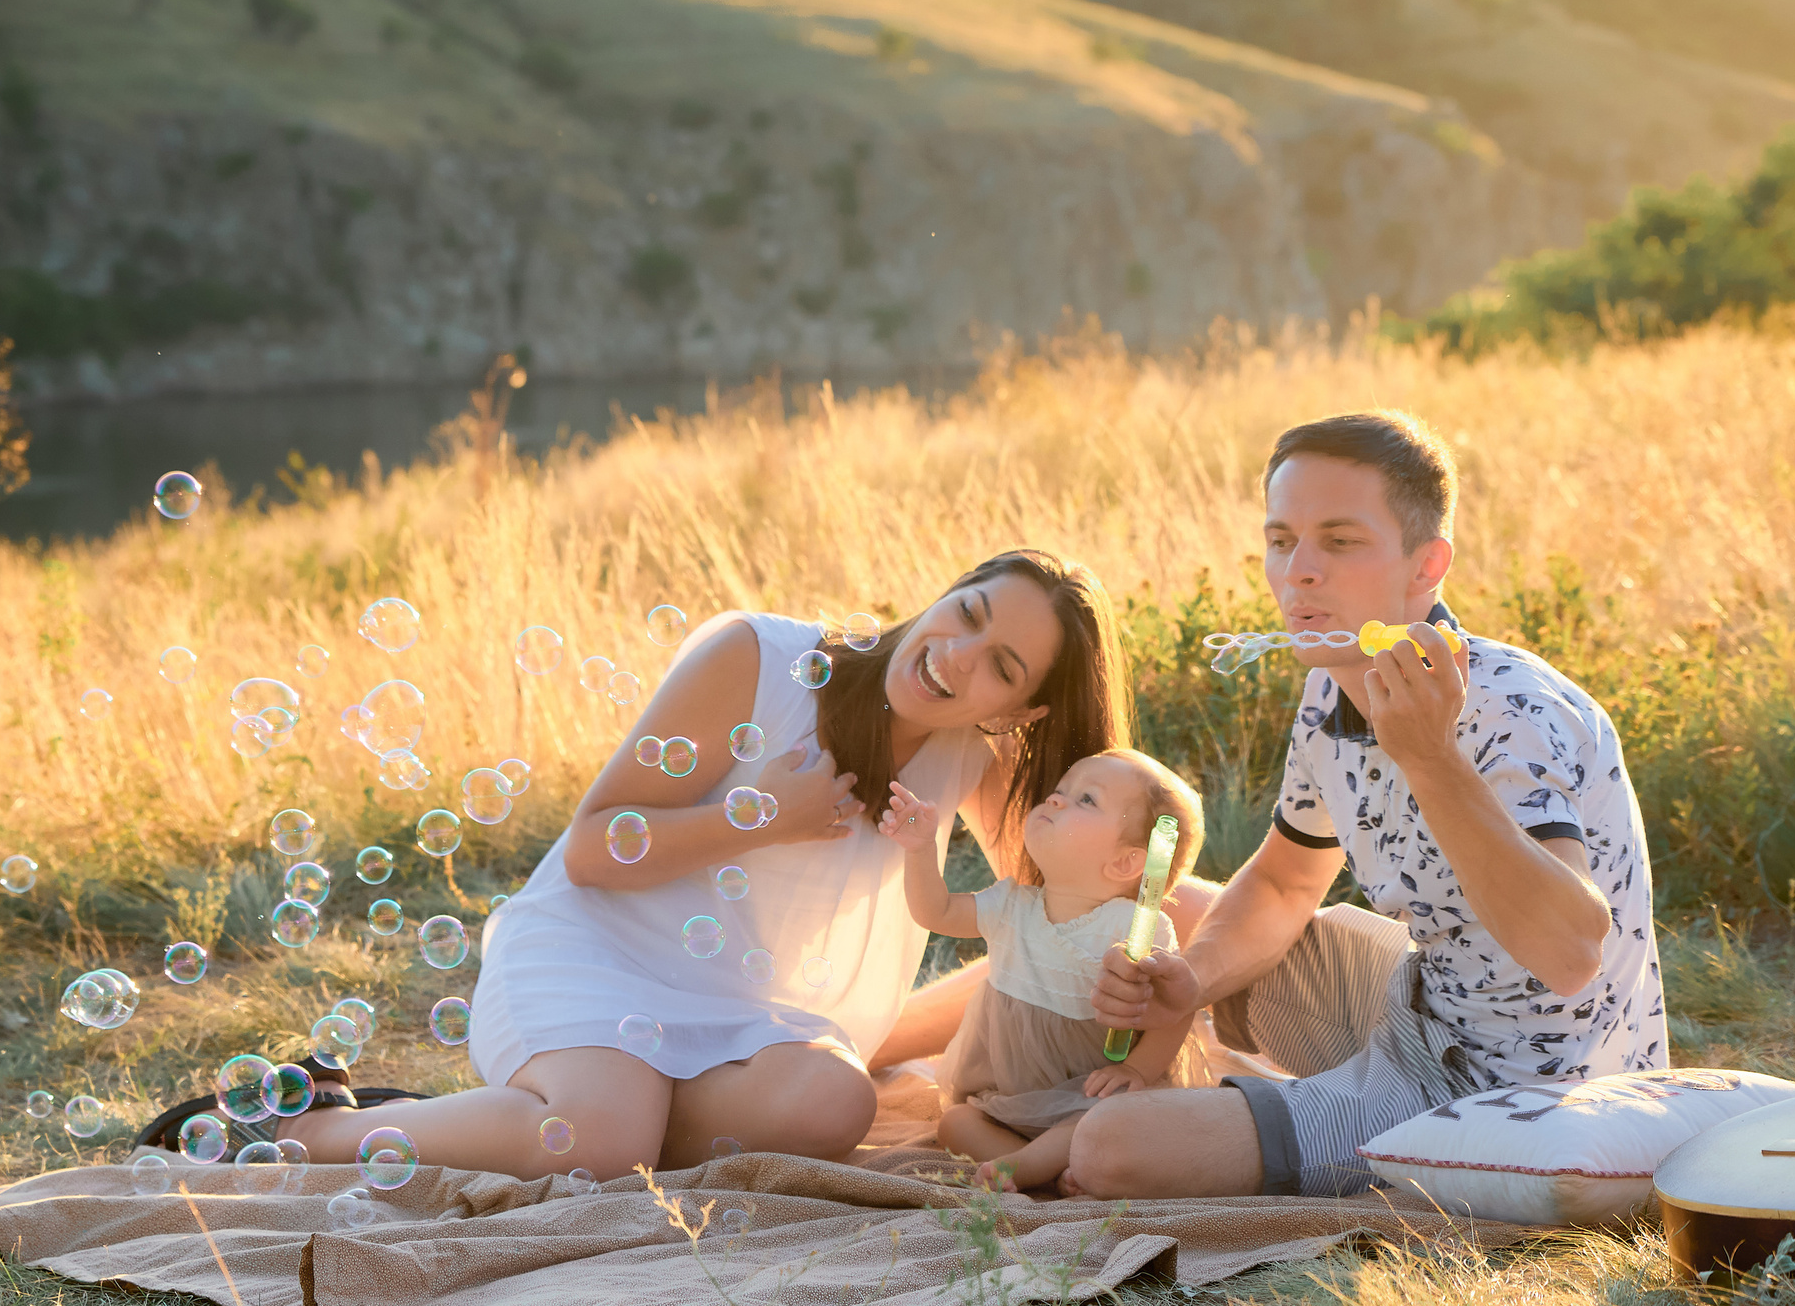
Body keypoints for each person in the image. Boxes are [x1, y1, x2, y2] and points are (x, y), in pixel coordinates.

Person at [275, 549, 1133, 1180]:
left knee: (839, 1102)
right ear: (952, 589)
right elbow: (591, 848)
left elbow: (1057, 914)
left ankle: (572, 1116)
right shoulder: (762, 661)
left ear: (1025, 708)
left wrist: (1174, 947)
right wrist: (758, 818)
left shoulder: (964, 759)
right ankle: (323, 1128)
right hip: (594, 959)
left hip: (741, 1017)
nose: (956, 655)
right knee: (603, 1144)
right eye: (970, 612)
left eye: (1002, 667)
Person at [1067, 411, 1667, 1200]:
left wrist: (1429, 757)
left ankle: (1283, 1117)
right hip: (1422, 996)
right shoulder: (1331, 686)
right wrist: (1195, 980)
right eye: (1282, 540)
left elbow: (1568, 953)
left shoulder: (1506, 708)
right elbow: (1285, 882)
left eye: (1339, 541)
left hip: (1504, 1087)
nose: (1298, 572)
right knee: (1170, 912)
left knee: (1110, 1149)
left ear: (1427, 566)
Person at [880, 749, 1207, 1192]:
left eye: (1086, 799)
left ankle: (1034, 1166)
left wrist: (1137, 1072)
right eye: (1059, 791)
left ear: (1128, 863)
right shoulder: (1011, 906)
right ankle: (1053, 1165)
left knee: (1105, 1119)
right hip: (1010, 1099)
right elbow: (934, 911)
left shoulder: (1132, 929)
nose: (1055, 800)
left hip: (1091, 1092)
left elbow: (1175, 1013)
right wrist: (920, 850)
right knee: (955, 1121)